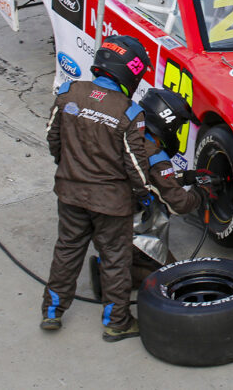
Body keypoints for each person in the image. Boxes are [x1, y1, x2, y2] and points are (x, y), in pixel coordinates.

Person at [40, 35, 152, 343]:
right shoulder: (129, 113)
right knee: (116, 260)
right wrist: (146, 196)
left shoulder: (68, 93)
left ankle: (52, 312)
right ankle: (117, 322)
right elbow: (136, 166)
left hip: (70, 193)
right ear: (130, 72)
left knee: (67, 250)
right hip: (111, 204)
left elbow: (53, 139)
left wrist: (70, 169)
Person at [89, 88, 216, 296]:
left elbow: (147, 179)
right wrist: (202, 193)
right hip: (123, 226)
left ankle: (111, 262)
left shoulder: (129, 135)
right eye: (178, 126)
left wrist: (186, 177)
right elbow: (181, 203)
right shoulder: (155, 154)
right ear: (167, 122)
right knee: (173, 278)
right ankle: (109, 274)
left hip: (96, 213)